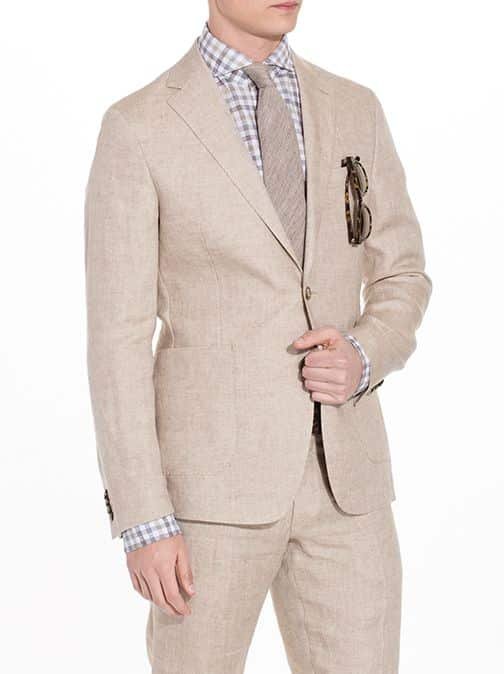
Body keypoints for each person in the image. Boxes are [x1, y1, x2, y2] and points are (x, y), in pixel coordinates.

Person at [85, 1, 432, 671]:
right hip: (206, 497)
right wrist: (143, 517)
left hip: (347, 486)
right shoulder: (139, 126)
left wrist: (364, 354)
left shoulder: (354, 107)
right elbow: (115, 342)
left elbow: (403, 274)